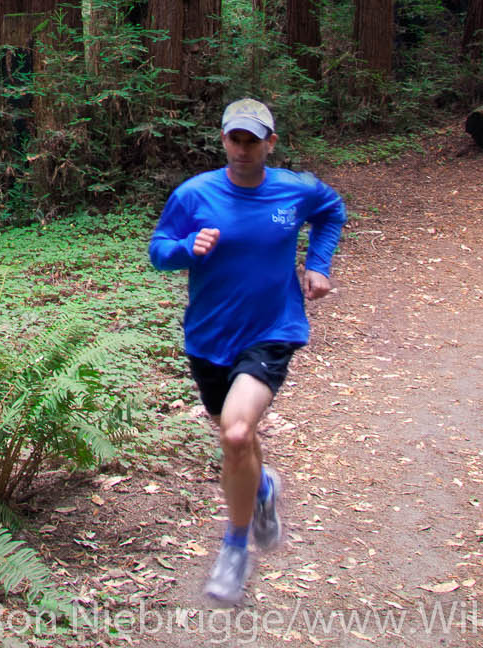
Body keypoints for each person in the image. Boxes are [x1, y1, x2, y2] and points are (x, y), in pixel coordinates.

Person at [148, 96, 346, 606]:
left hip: (272, 329)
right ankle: (261, 489)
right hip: (209, 337)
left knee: (236, 431)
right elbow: (158, 250)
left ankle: (234, 549)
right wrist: (185, 248)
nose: (241, 148)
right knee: (235, 437)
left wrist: (318, 264)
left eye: (252, 140)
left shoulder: (294, 190)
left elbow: (332, 210)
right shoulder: (194, 195)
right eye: (234, 139)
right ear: (223, 140)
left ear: (269, 143)